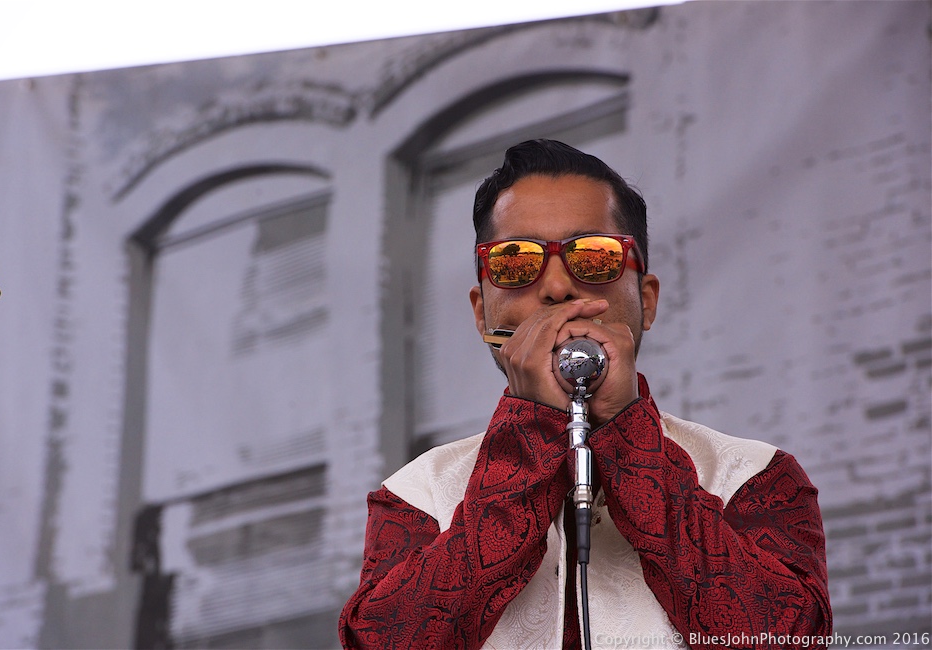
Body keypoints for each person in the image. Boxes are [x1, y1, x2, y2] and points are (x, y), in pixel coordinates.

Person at [339, 140, 832, 649]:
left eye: (593, 256)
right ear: (482, 314)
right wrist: (528, 430)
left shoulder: (754, 475)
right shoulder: (416, 494)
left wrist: (624, 428)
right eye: (515, 263)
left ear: (646, 301)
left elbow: (789, 638)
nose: (556, 287)